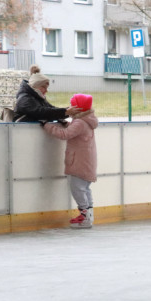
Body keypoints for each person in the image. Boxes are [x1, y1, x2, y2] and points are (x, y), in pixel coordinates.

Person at [43, 94, 98, 229]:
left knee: (78, 189)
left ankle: (85, 216)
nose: (69, 107)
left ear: (78, 108)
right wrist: (65, 124)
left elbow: (65, 134)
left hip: (79, 162)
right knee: (85, 189)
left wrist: (46, 125)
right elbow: (75, 130)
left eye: (72, 105)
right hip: (86, 160)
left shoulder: (79, 122)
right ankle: (89, 215)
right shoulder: (86, 120)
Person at [15, 72, 80, 123]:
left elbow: (51, 108)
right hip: (23, 131)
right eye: (43, 87)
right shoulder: (24, 98)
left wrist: (67, 110)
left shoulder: (37, 97)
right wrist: (65, 112)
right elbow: (41, 112)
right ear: (35, 85)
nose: (46, 90)